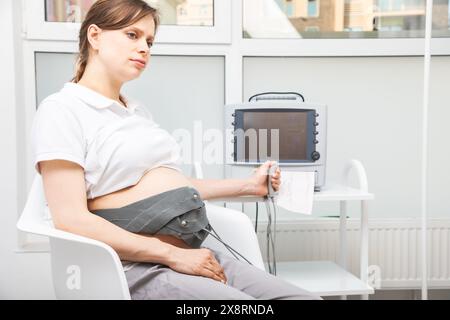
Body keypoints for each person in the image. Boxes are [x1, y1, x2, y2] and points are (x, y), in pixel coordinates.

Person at [31, 0, 321, 300]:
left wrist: (250, 185)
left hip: (194, 256)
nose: (145, 48)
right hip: (134, 268)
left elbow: (173, 187)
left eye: (149, 41)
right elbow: (70, 218)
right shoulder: (62, 110)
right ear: (95, 36)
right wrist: (171, 254)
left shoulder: (136, 112)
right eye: (133, 35)